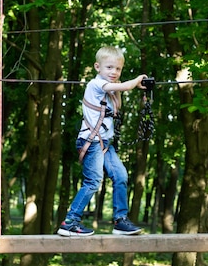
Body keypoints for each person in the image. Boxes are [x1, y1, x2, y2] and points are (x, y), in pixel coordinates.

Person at [57, 46, 148, 237]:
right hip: (91, 142)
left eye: (118, 69)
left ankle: (120, 221)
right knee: (93, 181)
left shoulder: (110, 88)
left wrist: (121, 88)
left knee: (121, 176)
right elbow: (124, 86)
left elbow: (118, 104)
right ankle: (70, 222)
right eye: (109, 68)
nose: (114, 72)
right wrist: (135, 82)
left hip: (105, 144)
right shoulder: (95, 84)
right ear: (97, 67)